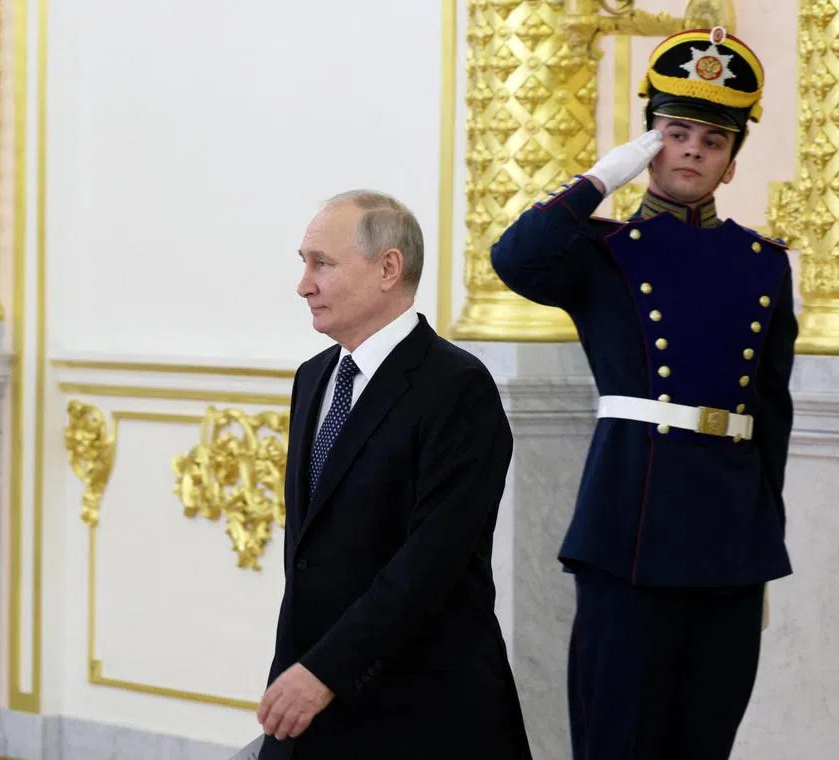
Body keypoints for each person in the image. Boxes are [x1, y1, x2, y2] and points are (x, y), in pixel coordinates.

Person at [490, 27, 795, 759]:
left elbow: (772, 415)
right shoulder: (601, 253)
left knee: (703, 742)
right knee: (617, 740)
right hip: (630, 532)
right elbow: (514, 258)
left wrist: (763, 540)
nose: (692, 149)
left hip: (728, 544)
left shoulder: (765, 265)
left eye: (712, 141)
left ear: (728, 165)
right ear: (650, 143)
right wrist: (604, 176)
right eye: (674, 132)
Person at [257, 190, 532, 760]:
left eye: (322, 263)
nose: (303, 284)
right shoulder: (313, 378)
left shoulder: (458, 387)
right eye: (303, 262)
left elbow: (430, 562)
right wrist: (299, 670)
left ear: (389, 268)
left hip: (424, 711)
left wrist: (325, 670)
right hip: (317, 704)